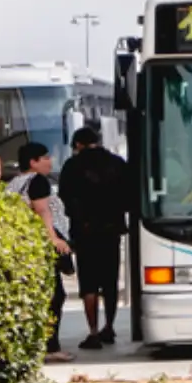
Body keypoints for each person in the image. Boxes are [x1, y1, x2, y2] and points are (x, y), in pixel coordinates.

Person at [60, 127, 131, 350]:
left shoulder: (72, 166)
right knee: (110, 282)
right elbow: (128, 195)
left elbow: (65, 198)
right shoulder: (117, 163)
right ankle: (109, 327)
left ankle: (93, 332)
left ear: (78, 144)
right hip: (111, 231)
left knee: (88, 284)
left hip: (85, 233)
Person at [11, 143, 72, 362]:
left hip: (25, 247)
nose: (50, 162)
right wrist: (54, 239)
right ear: (32, 162)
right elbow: (43, 211)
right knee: (55, 296)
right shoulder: (38, 181)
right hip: (42, 249)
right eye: (45, 158)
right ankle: (50, 346)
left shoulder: (15, 183)